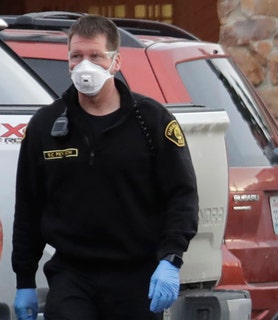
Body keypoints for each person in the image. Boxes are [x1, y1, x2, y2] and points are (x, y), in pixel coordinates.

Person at [12, 14, 199, 320]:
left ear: (116, 61)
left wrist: (171, 257)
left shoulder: (151, 121)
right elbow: (29, 207)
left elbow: (182, 195)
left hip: (137, 274)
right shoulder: (46, 126)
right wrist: (24, 280)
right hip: (72, 275)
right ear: (68, 60)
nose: (85, 65)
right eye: (77, 56)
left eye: (95, 55)